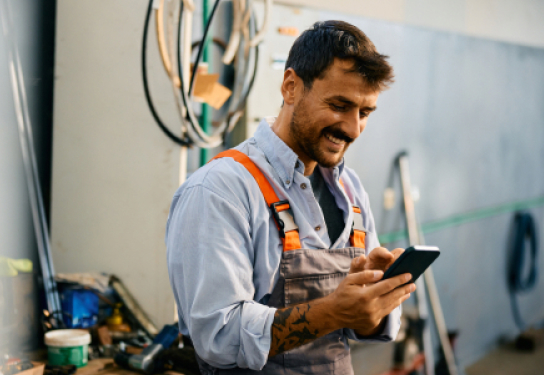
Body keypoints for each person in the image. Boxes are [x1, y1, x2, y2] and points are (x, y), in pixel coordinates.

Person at [166, 20, 415, 375]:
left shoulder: (350, 189)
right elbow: (218, 337)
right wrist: (334, 310)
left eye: (364, 112)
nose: (352, 128)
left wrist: (373, 303)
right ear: (291, 87)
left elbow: (364, 330)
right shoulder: (220, 190)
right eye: (340, 105)